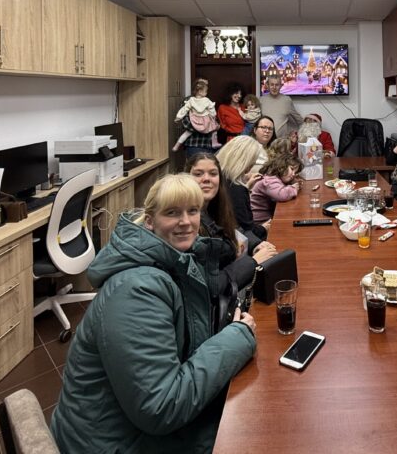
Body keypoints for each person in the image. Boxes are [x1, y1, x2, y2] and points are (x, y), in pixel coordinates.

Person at [51, 174, 256, 454]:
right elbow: (160, 407)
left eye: (193, 211)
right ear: (149, 221)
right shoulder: (136, 290)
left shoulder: (175, 262)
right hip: (109, 443)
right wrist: (236, 339)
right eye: (172, 213)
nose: (186, 222)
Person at [186, 152, 277, 288]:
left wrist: (256, 245)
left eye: (213, 173)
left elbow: (235, 229)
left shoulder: (217, 207)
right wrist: (253, 262)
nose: (206, 179)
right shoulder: (187, 223)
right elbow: (211, 285)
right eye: (198, 174)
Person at [216, 135, 269, 251]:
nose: (250, 169)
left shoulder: (219, 178)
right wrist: (264, 228)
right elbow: (246, 228)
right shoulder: (236, 188)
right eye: (251, 164)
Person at [250, 153, 302, 224]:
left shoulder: (275, 178)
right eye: (292, 169)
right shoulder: (269, 181)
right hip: (260, 222)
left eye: (295, 172)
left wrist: (292, 182)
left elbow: (280, 186)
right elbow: (281, 195)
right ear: (281, 166)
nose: (293, 174)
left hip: (266, 218)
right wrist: (293, 188)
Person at [172, 78, 218, 154]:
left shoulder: (206, 100)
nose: (205, 86)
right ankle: (177, 145)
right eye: (202, 84)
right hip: (194, 144)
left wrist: (213, 124)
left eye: (206, 85)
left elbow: (213, 116)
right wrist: (202, 127)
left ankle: (214, 143)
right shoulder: (188, 100)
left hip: (207, 144)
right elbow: (186, 122)